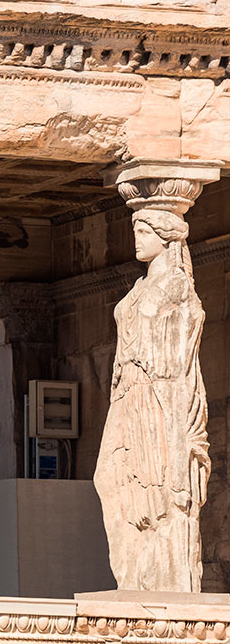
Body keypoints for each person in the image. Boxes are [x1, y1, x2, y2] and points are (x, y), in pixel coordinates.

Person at [94, 208, 211, 592]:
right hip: (130, 393)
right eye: (136, 230)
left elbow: (177, 361)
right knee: (109, 478)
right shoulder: (141, 286)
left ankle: (163, 581)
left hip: (159, 397)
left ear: (165, 237)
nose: (137, 238)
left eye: (144, 231)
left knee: (159, 488)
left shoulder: (175, 285)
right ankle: (134, 578)